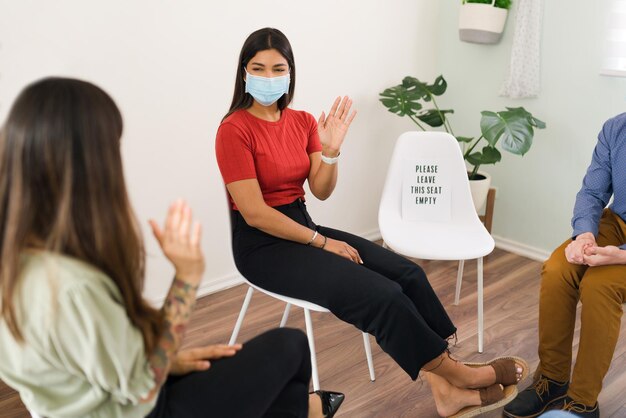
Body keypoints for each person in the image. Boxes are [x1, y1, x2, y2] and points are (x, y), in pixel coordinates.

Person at [215, 27, 529, 418]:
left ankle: (445, 391)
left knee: (407, 274)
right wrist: (322, 243)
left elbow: (321, 189)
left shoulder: (302, 122)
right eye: (258, 68)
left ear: (290, 72)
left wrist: (330, 151)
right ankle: (461, 377)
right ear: (244, 73)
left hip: (300, 225)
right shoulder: (234, 129)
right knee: (383, 296)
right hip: (262, 246)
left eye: (277, 68)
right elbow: (255, 213)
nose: (267, 76)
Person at [0, 77, 344, 418]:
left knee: (281, 395)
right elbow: (143, 387)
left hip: (99, 397)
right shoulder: (74, 285)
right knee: (292, 347)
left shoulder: (18, 262)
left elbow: (98, 363)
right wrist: (187, 277)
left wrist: (167, 362)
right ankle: (311, 410)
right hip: (139, 408)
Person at [504, 115, 626, 418]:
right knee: (558, 268)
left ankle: (583, 402)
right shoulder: (616, 128)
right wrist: (585, 233)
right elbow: (593, 193)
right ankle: (553, 379)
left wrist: (621, 255)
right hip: (618, 222)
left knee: (600, 285)